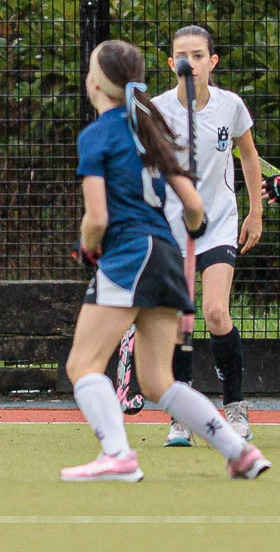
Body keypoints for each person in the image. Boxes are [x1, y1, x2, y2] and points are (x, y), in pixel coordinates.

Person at [62, 39, 268, 482]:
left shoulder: (97, 135)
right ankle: (239, 452)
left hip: (129, 254)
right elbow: (194, 206)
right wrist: (196, 227)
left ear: (96, 83)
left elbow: (96, 218)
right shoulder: (150, 130)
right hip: (166, 255)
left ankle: (117, 454)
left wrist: (87, 247)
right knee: (158, 380)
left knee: (81, 365)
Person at [151, 25, 262, 446]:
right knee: (180, 322)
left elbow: (248, 155)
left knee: (215, 312)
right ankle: (182, 417)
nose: (190, 64)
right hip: (172, 228)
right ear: (171, 64)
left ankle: (234, 407)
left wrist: (255, 211)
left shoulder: (230, 106)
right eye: (183, 56)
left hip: (218, 223)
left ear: (212, 62)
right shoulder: (156, 110)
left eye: (198, 56)